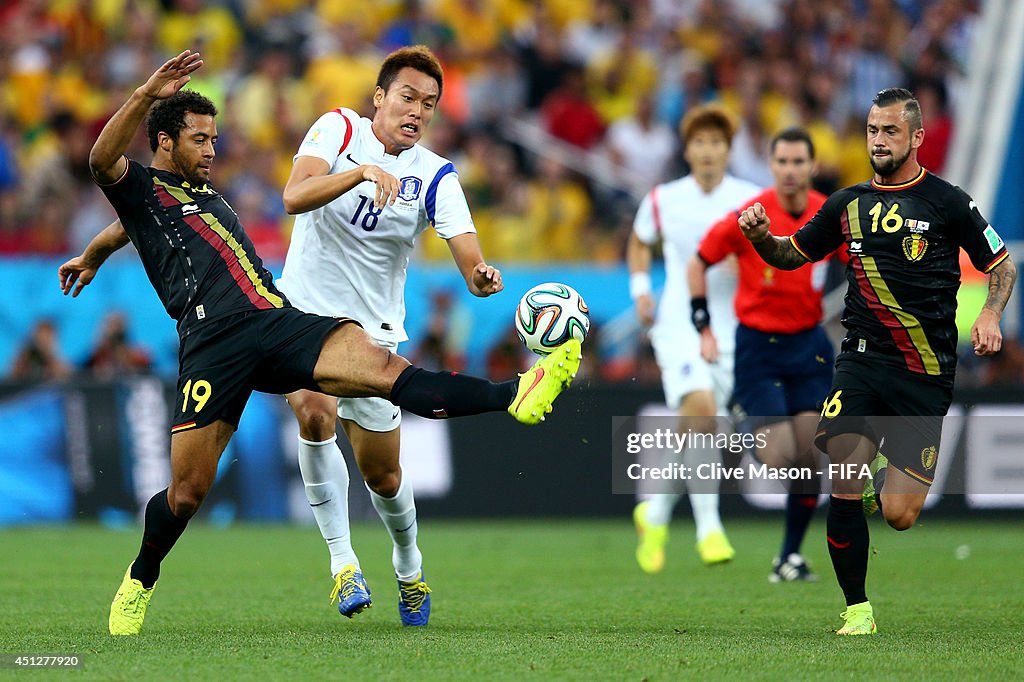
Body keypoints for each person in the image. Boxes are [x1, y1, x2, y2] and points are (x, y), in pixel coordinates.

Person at [59, 50, 581, 636]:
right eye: (200, 140)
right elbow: (103, 162)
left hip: (280, 318)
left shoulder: (206, 196)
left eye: (214, 140)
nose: (212, 151)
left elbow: (125, 229)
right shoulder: (143, 188)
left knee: (390, 379)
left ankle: (514, 392)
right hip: (213, 344)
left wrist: (95, 254)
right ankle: (141, 577)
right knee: (187, 493)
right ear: (162, 141)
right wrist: (146, 94)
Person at [737, 88, 1015, 635]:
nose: (878, 140)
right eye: (871, 130)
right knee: (842, 475)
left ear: (916, 137)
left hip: (926, 371)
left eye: (890, 131)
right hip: (860, 360)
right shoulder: (846, 204)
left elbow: (1003, 267)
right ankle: (857, 609)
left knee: (900, 515)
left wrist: (989, 317)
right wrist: (762, 238)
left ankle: (884, 477)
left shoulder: (949, 202)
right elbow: (792, 254)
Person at [275, 45, 503, 626]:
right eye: (407, 96)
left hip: (372, 336)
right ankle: (343, 564)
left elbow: (471, 264)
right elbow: (294, 196)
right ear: (379, 96)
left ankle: (409, 566)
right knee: (313, 414)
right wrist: (361, 171)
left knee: (384, 475)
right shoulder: (337, 129)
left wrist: (480, 276)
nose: (417, 111)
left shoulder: (436, 176)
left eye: (428, 104)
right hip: (303, 313)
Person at [688, 127, 837, 583]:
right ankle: (741, 414)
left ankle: (788, 557)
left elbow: (859, 264)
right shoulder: (751, 215)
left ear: (812, 167)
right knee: (777, 455)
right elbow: (699, 261)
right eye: (782, 162)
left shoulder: (829, 214)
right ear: (770, 167)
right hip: (759, 347)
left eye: (798, 162)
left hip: (809, 345)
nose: (790, 171)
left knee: (811, 455)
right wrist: (704, 325)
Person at [628, 103, 761, 572]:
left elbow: (773, 255)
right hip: (680, 323)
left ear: (728, 150)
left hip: (734, 328)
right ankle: (709, 527)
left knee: (702, 429)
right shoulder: (665, 198)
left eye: (716, 143)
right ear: (687, 150)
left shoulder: (750, 199)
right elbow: (641, 240)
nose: (707, 151)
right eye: (699, 143)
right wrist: (642, 290)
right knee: (702, 410)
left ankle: (657, 510)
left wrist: (747, 260)